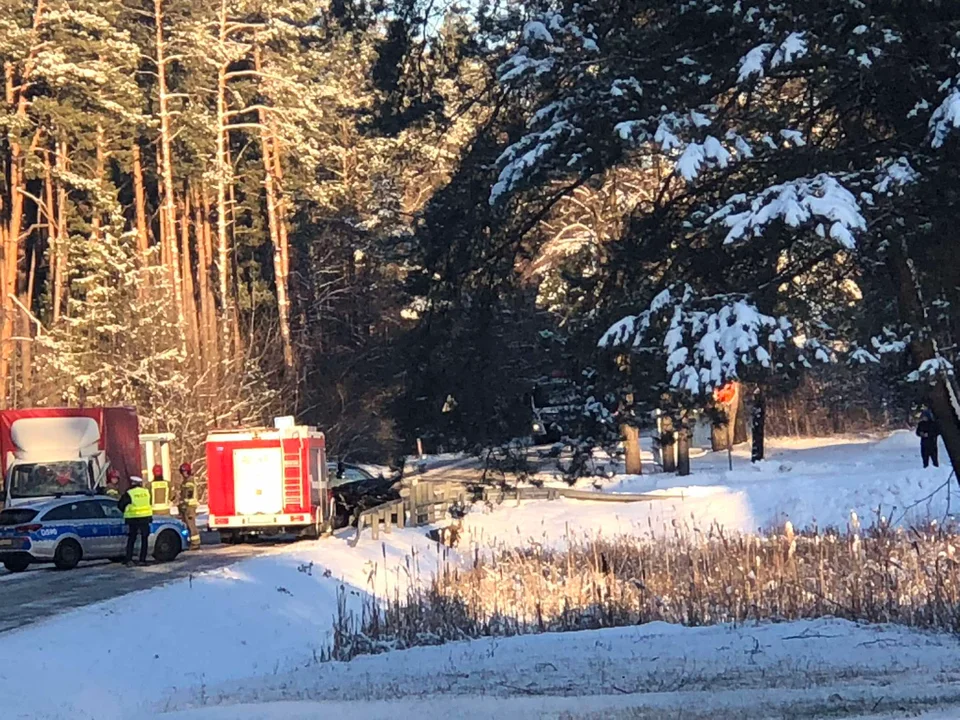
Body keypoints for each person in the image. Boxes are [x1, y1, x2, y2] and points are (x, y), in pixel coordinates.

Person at [118, 476, 153, 566]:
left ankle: (129, 559)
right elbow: (150, 503)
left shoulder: (129, 493)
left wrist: (126, 511)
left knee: (132, 539)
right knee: (144, 539)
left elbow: (120, 505)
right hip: (145, 518)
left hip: (133, 518)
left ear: (132, 483)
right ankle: (142, 559)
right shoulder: (146, 492)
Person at [177, 462, 201, 549]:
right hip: (186, 506)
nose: (184, 473)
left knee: (191, 524)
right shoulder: (186, 481)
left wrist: (184, 503)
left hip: (189, 507)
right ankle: (191, 541)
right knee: (188, 524)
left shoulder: (189, 481)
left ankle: (195, 543)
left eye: (185, 471)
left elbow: (188, 494)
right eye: (183, 472)